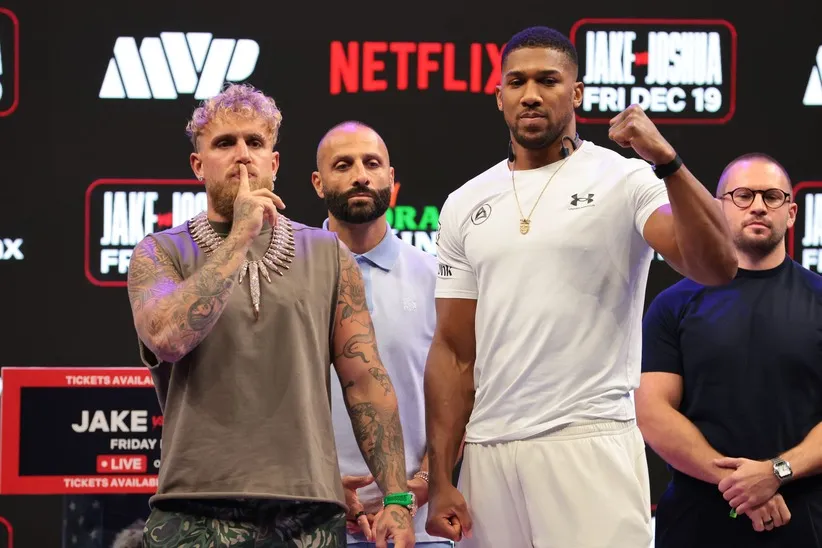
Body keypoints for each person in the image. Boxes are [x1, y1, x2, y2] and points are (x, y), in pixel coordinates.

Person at [423, 26, 739, 548]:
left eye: (548, 81)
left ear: (576, 93)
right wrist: (439, 479)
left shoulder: (624, 179)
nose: (530, 94)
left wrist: (667, 161)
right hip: (488, 450)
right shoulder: (465, 202)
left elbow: (718, 265)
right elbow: (455, 351)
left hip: (587, 438)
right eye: (517, 82)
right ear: (499, 96)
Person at [126, 84, 415, 548]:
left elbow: (365, 381)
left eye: (255, 143)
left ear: (274, 164)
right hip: (193, 504)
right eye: (225, 143)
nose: (242, 155)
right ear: (198, 165)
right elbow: (168, 338)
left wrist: (397, 497)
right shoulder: (159, 252)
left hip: (308, 510)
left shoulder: (328, 254)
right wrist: (240, 236)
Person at [637, 153, 822, 547]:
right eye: (742, 195)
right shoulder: (673, 304)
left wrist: (776, 472)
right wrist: (742, 485)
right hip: (695, 522)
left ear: (791, 213)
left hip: (804, 520)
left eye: (771, 196)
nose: (758, 206)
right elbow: (651, 411)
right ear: (718, 209)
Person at [311, 121, 453, 548]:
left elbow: (462, 393)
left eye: (372, 164)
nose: (360, 175)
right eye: (343, 165)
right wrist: (316, 483)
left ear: (391, 178)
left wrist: (420, 485)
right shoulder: (288, 279)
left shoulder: (437, 279)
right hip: (310, 519)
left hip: (418, 526)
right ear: (318, 183)